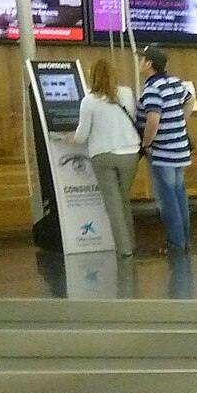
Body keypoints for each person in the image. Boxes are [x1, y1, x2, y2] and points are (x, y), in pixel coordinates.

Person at [71, 58, 142, 256]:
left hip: (103, 155)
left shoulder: (89, 101)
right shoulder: (126, 93)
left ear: (92, 76)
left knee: (113, 204)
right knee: (123, 199)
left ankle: (125, 249)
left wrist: (68, 137)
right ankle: (131, 242)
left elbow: (81, 136)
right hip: (130, 154)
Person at [137, 45, 194, 254]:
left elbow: (153, 120)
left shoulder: (152, 89)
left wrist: (146, 143)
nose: (139, 63)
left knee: (168, 199)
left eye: (142, 60)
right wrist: (180, 123)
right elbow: (190, 100)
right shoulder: (175, 82)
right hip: (179, 149)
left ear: (149, 64)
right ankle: (185, 240)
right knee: (179, 195)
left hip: (163, 152)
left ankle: (175, 243)